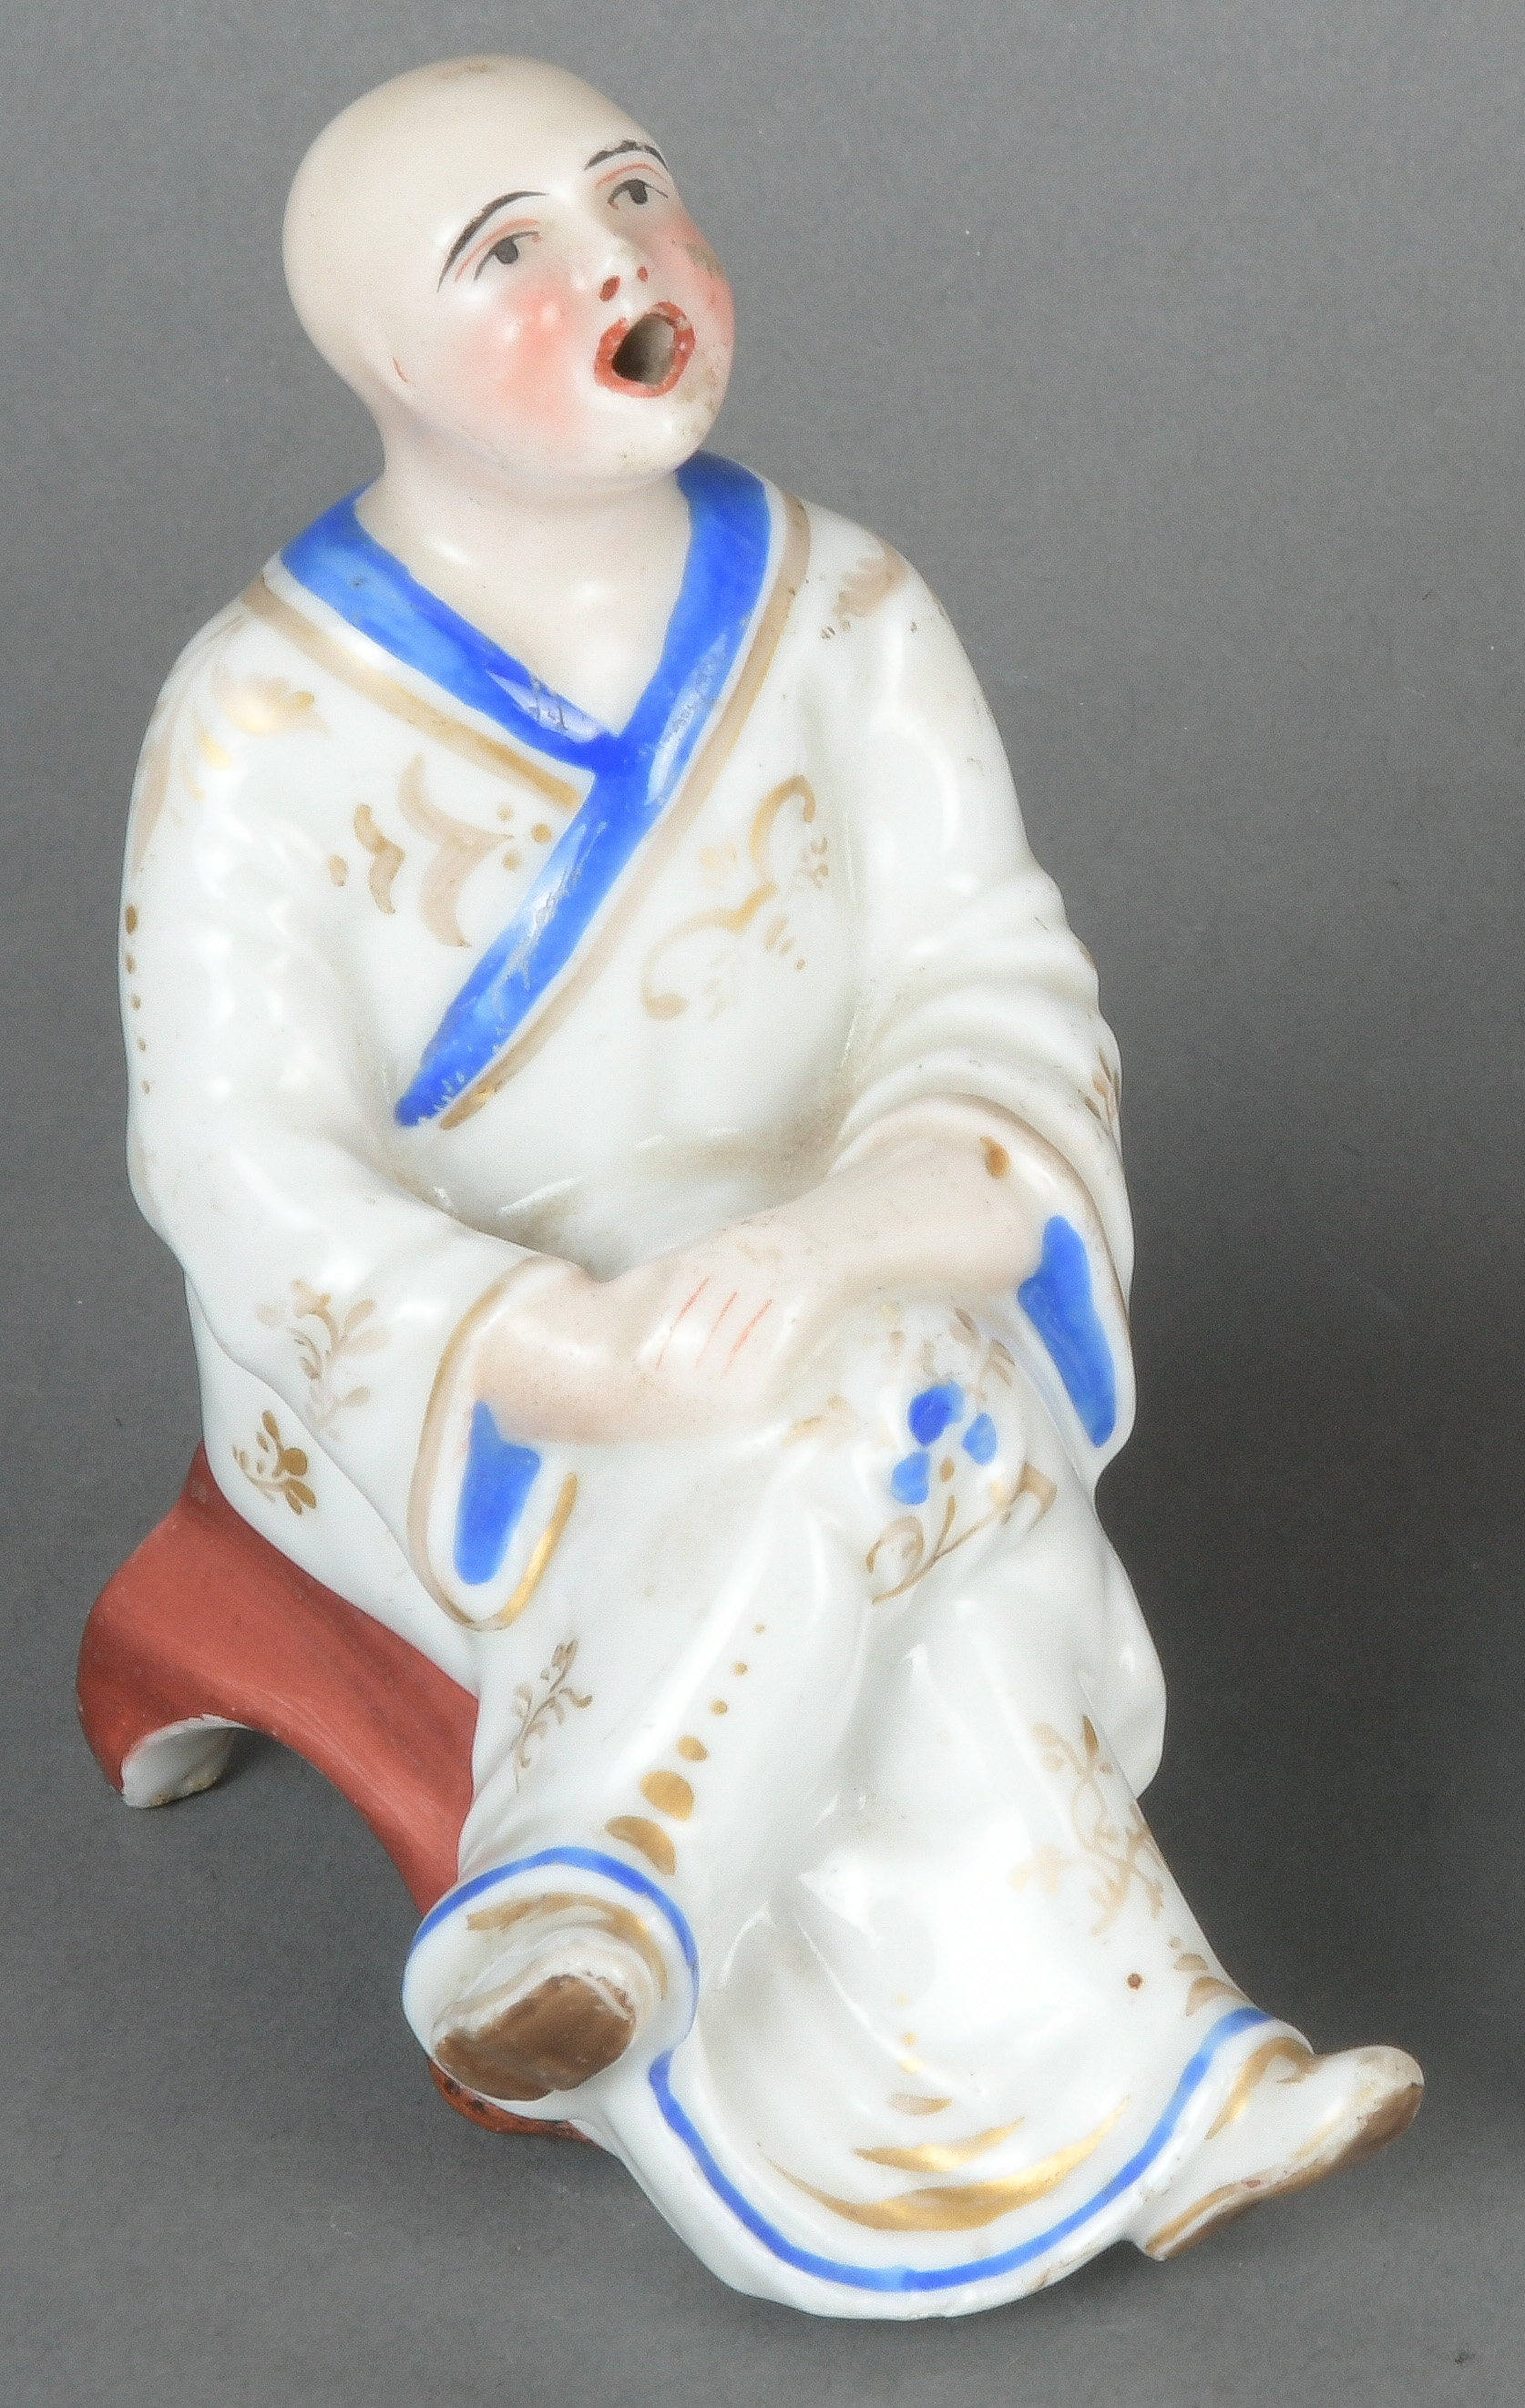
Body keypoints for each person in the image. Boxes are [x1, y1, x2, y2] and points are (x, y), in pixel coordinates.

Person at [121, 54, 1416, 2317]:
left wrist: (841, 1233)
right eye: (509, 249)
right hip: (462, 1368)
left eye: (634, 193)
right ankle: (1167, 2071)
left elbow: (986, 981)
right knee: (915, 1423)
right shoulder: (262, 709)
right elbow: (235, 1158)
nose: (616, 261)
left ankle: (597, 1887)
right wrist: (557, 1340)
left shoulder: (847, 613)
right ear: (381, 355)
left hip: (845, 1259)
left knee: (879, 1377)